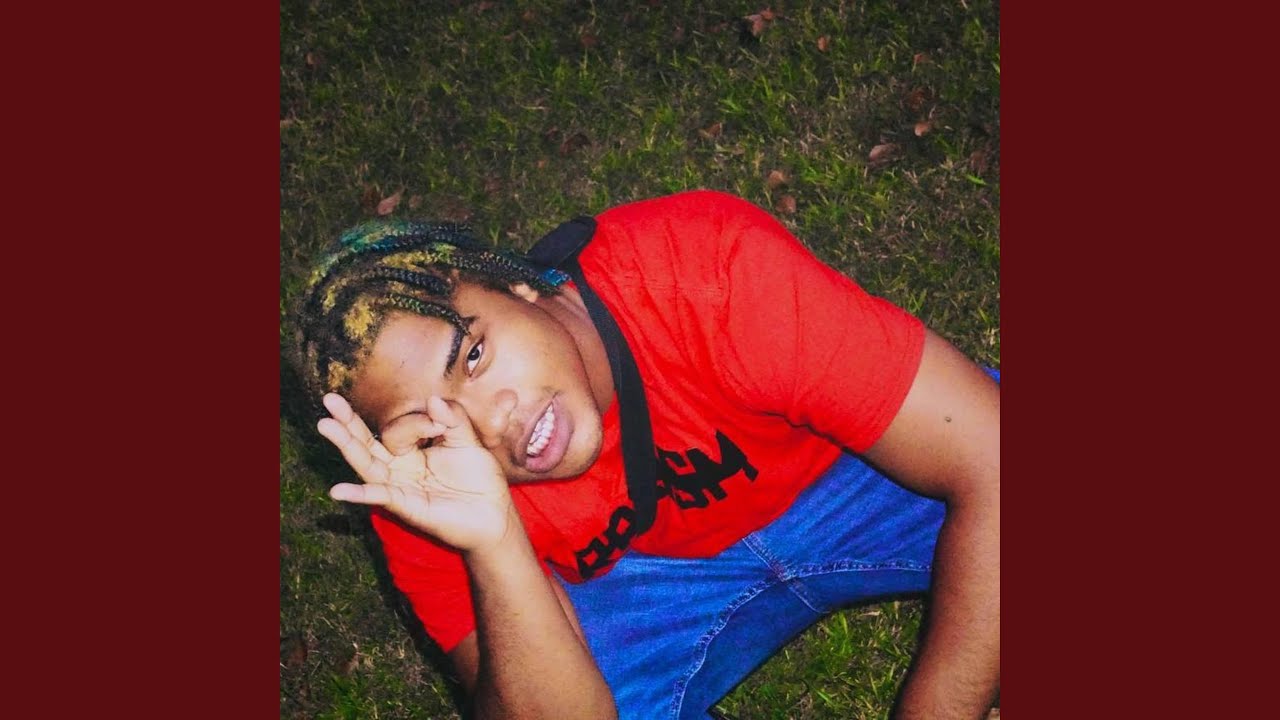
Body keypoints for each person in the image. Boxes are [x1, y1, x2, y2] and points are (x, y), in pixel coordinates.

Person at [293, 189, 999, 720]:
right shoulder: (422, 482)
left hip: (846, 473)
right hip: (652, 582)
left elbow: (994, 456)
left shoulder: (701, 267)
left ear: (517, 284)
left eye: (473, 355)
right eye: (430, 422)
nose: (491, 420)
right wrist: (494, 542)